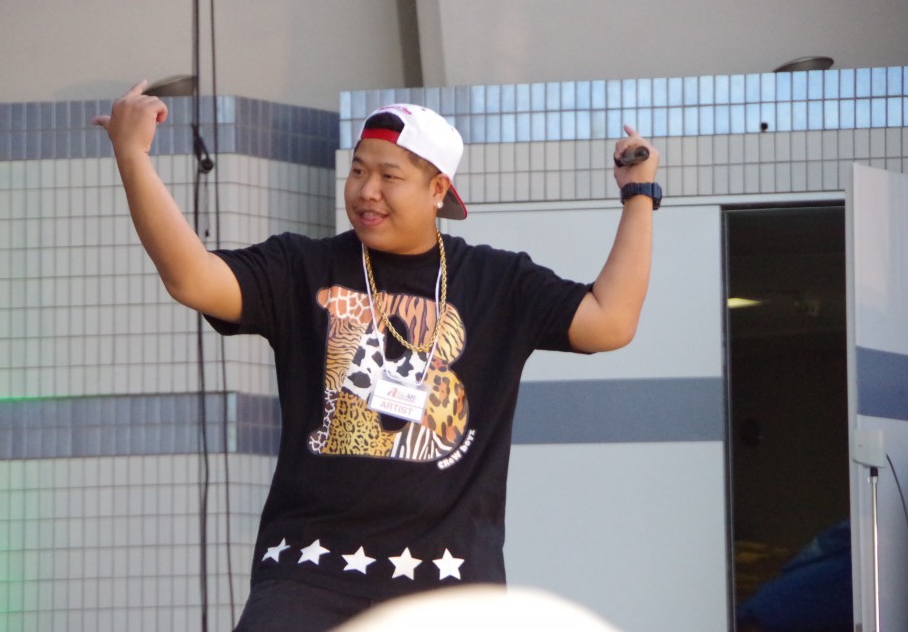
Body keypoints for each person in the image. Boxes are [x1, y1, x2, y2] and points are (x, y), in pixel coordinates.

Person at [93, 82, 661, 631]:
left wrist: (639, 195)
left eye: (390, 176)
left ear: (438, 189)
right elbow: (193, 278)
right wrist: (132, 156)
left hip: (449, 582)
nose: (367, 191)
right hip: (308, 574)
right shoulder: (301, 268)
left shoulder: (498, 281)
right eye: (359, 170)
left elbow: (610, 322)